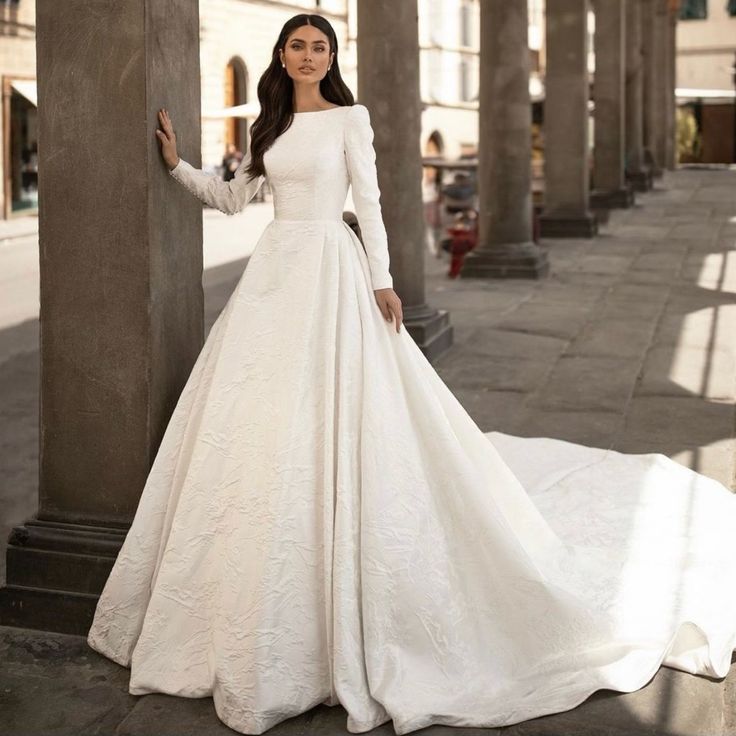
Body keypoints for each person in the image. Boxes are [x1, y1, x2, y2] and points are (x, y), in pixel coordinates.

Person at [87, 12, 736, 736]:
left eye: (320, 47)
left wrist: (383, 280)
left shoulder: (349, 118)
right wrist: (178, 165)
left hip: (332, 271)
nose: (308, 55)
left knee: (335, 410)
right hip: (273, 279)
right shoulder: (267, 127)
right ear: (283, 54)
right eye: (298, 46)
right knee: (260, 419)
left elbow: (369, 201)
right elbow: (235, 198)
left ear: (332, 58)